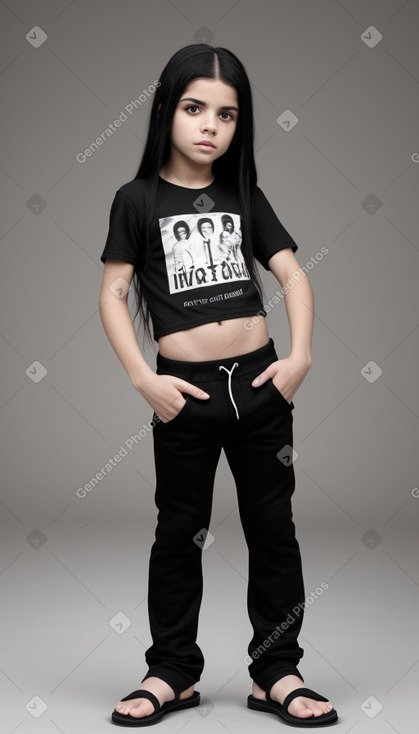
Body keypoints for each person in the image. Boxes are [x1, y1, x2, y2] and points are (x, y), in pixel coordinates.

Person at [99, 43, 338, 728]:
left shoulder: (242, 197)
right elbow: (113, 294)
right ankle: (170, 671)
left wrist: (299, 359)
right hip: (186, 395)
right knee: (179, 532)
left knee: (274, 531)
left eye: (227, 114)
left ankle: (277, 671)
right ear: (165, 113)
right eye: (194, 108)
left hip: (261, 389)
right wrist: (144, 377)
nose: (210, 126)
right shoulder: (135, 200)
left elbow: (292, 275)